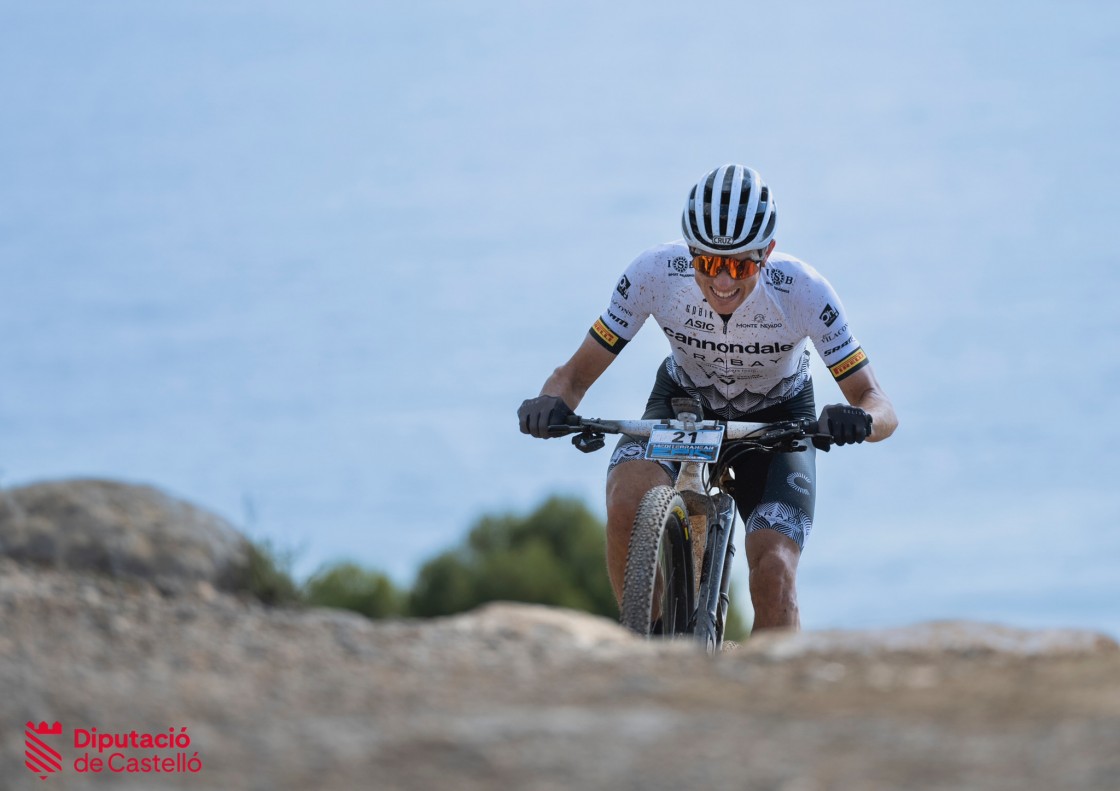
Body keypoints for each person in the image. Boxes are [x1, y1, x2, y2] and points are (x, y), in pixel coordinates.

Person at [518, 164, 897, 632]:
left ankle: (768, 695)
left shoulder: (803, 291)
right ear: (690, 254)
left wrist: (857, 419)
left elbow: (879, 404)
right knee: (625, 504)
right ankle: (647, 639)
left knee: (774, 571)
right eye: (709, 264)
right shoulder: (654, 273)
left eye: (739, 265)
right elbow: (572, 376)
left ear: (767, 253)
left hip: (779, 422)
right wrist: (549, 403)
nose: (722, 282)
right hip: (684, 405)